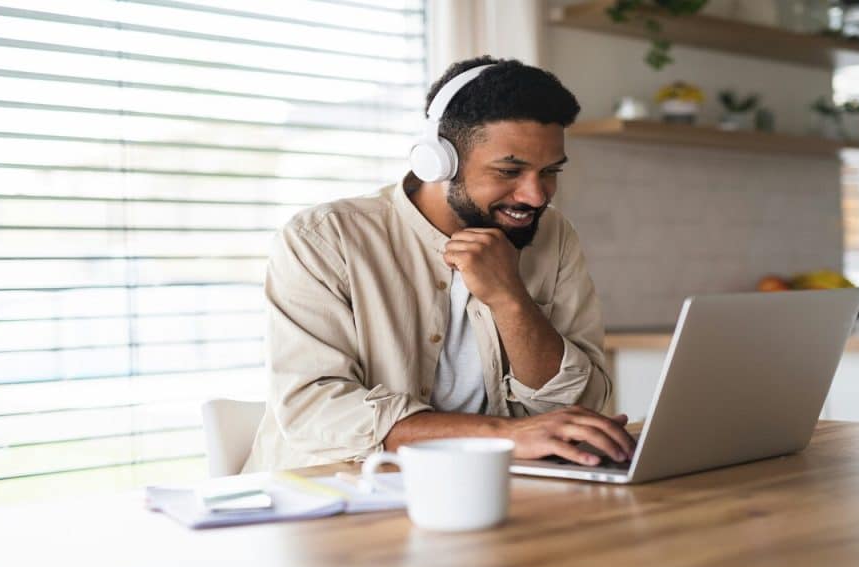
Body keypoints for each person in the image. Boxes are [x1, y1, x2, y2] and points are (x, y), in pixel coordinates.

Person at [243, 56, 636, 473]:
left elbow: (580, 406)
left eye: (550, 172)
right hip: (329, 499)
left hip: (496, 491)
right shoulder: (325, 238)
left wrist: (510, 299)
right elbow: (316, 411)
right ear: (438, 159)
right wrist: (501, 435)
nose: (536, 196)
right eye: (509, 170)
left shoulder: (554, 237)